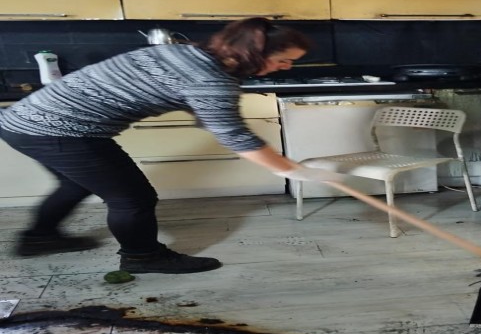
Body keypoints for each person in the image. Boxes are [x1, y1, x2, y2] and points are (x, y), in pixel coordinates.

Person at [0, 17, 341, 274]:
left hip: (22, 121)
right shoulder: (210, 80)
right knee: (133, 198)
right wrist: (293, 170)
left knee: (75, 183)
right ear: (254, 52)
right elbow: (234, 136)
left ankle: (40, 238)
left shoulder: (183, 52)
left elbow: (208, 113)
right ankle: (143, 257)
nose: (286, 67)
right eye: (284, 60)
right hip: (60, 130)